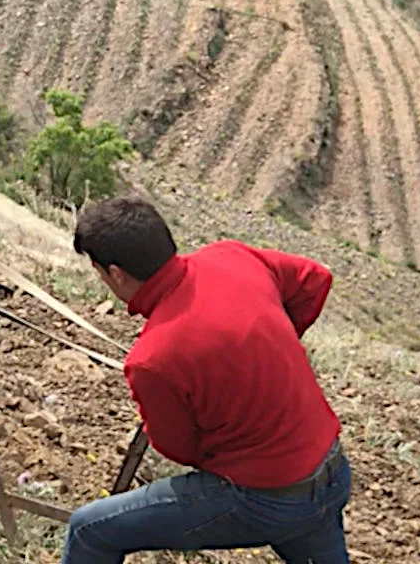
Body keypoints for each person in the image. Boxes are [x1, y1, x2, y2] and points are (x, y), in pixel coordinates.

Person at [59, 195, 351, 564]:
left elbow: (179, 448)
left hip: (264, 499)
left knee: (89, 530)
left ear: (116, 273)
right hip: (333, 472)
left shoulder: (152, 358)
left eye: (99, 272)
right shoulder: (231, 257)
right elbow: (314, 281)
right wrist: (262, 349)